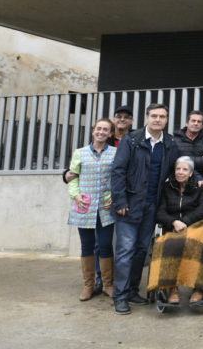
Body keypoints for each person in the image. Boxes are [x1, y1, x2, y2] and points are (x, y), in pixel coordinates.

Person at [111, 104, 187, 314]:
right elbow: (118, 171)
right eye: (154, 116)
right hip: (130, 204)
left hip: (153, 206)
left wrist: (196, 177)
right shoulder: (131, 140)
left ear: (167, 119)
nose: (158, 119)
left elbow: (179, 167)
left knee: (141, 250)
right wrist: (120, 201)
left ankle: (132, 291)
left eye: (162, 116)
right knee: (125, 250)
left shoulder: (170, 143)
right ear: (147, 117)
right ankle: (120, 296)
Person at [67, 118, 116, 300]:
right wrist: (75, 195)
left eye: (105, 130)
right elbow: (73, 176)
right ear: (93, 130)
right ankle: (88, 284)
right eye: (99, 129)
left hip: (105, 206)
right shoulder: (79, 153)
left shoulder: (115, 153)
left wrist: (114, 197)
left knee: (105, 245)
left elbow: (119, 177)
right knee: (86, 245)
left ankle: (108, 284)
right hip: (85, 206)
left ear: (110, 134)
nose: (101, 132)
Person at [151, 156, 203, 305]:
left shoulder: (198, 188)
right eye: (178, 169)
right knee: (169, 244)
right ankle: (172, 288)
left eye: (185, 169)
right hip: (173, 226)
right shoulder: (167, 188)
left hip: (195, 225)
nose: (180, 172)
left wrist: (185, 221)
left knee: (194, 243)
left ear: (191, 173)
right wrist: (174, 222)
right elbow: (160, 212)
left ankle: (199, 288)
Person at [172, 110, 203, 181]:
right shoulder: (175, 140)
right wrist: (201, 159)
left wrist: (182, 159)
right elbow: (172, 161)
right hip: (178, 182)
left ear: (202, 126)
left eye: (199, 122)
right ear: (187, 123)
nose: (196, 123)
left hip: (201, 183)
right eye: (193, 121)